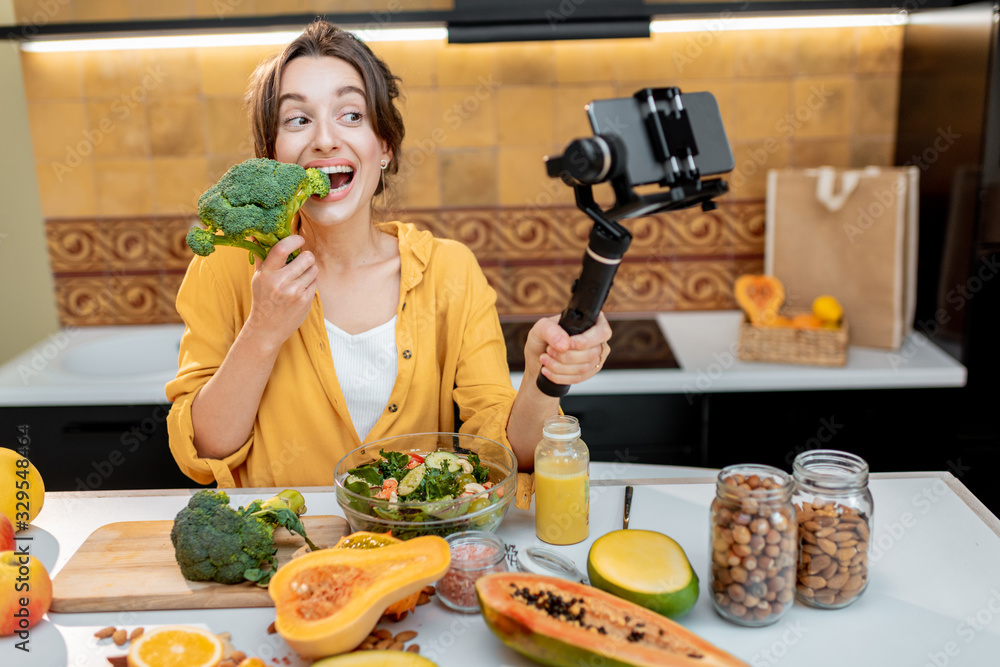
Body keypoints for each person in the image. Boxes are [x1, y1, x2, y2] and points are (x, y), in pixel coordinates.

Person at [165, 20, 612, 488]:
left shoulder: (448, 271)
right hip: (289, 551)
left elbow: (504, 455)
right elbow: (205, 450)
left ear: (384, 145)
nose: (324, 139)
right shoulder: (225, 268)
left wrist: (544, 380)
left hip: (419, 554)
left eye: (351, 115)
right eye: (297, 119)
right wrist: (263, 329)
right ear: (271, 154)